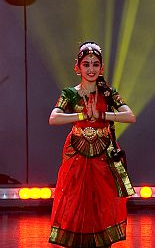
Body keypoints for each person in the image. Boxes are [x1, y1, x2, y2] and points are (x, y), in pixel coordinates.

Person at [48, 42, 136, 247]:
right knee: (75, 199)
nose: (91, 69)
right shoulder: (70, 93)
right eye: (86, 64)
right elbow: (53, 118)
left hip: (103, 153)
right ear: (77, 67)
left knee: (103, 201)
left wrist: (102, 115)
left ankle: (102, 242)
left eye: (95, 64)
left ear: (102, 68)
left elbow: (130, 116)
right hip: (76, 152)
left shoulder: (108, 93)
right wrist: (81, 115)